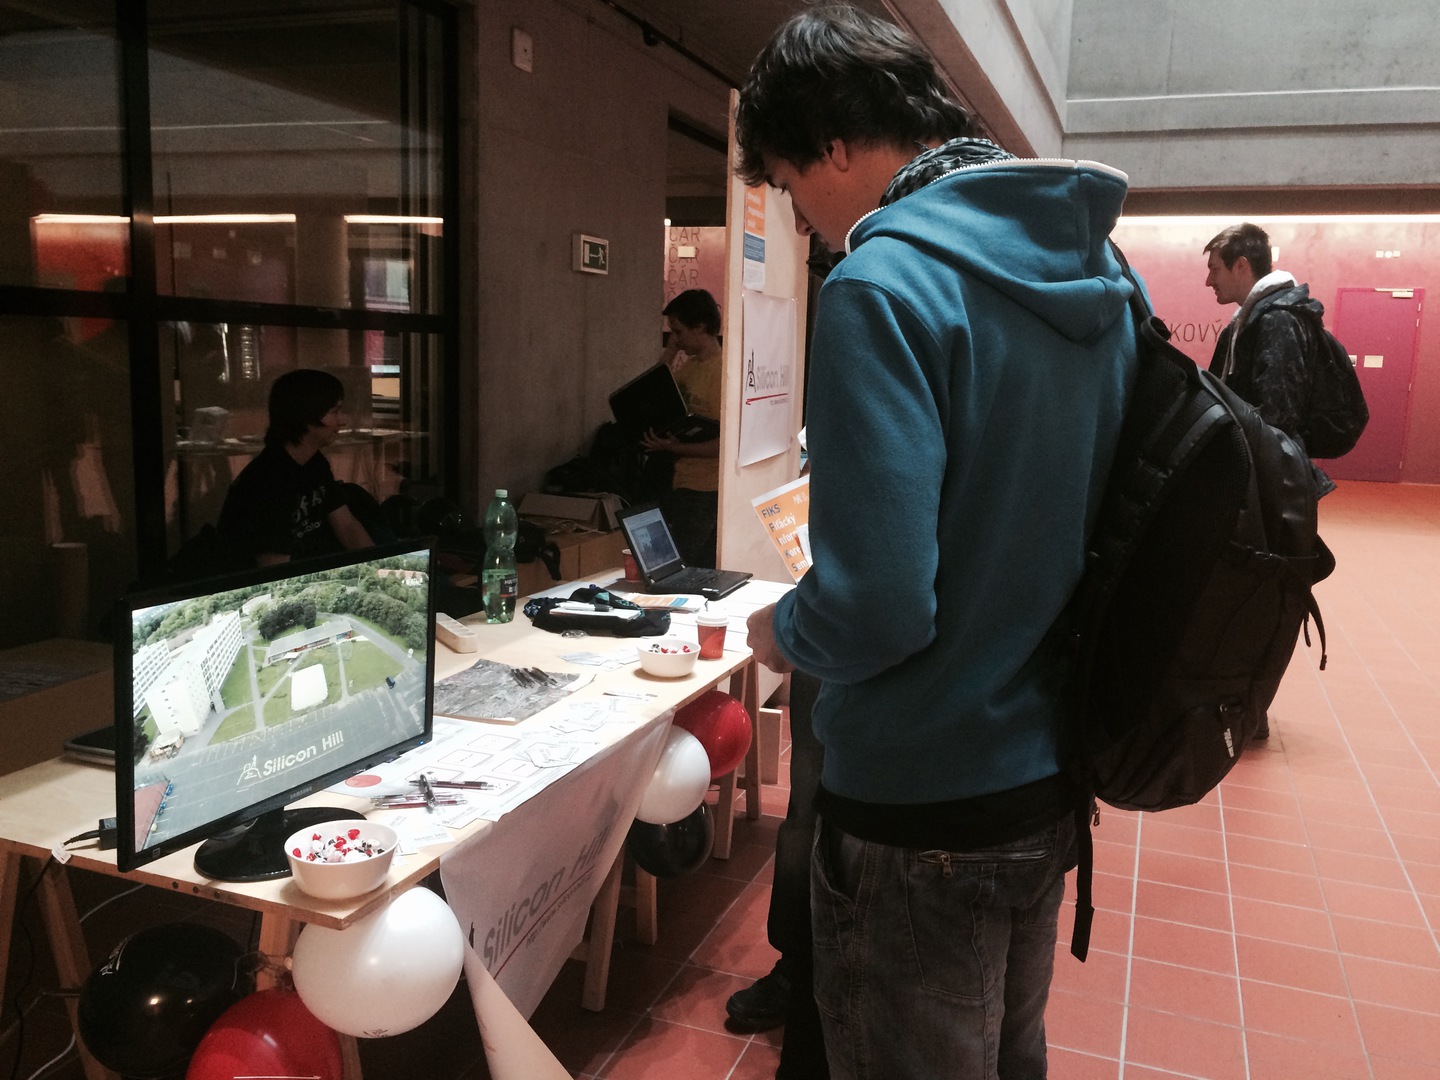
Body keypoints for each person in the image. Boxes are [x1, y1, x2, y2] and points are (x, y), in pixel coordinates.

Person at [733, 7, 1139, 1079]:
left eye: (791, 184)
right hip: (1050, 768)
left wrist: (782, 631)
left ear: (833, 144)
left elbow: (877, 607)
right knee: (1010, 1057)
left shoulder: (883, 287)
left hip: (919, 797)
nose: (803, 220)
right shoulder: (1102, 273)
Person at [725, 431, 827, 1080]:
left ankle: (821, 978)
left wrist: (787, 626)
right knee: (805, 817)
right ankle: (796, 968)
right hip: (833, 657)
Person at [1204, 221, 1337, 497]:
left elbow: (1276, 417)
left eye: (1214, 269)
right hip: (1264, 475)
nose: (1209, 281)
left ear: (1241, 265)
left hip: (1273, 483)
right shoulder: (1250, 321)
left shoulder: (1278, 320)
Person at [217, 368, 375, 565]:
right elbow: (271, 564)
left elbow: (348, 527)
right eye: (334, 411)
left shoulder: (314, 463)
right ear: (307, 414)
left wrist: (376, 566)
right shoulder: (267, 481)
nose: (342, 420)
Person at [641, 289, 722, 566]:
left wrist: (674, 447)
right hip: (680, 481)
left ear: (700, 327)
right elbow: (655, 388)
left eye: (678, 332)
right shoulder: (692, 365)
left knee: (681, 563)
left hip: (705, 489)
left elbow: (723, 444)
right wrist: (671, 351)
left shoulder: (721, 373)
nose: (675, 338)